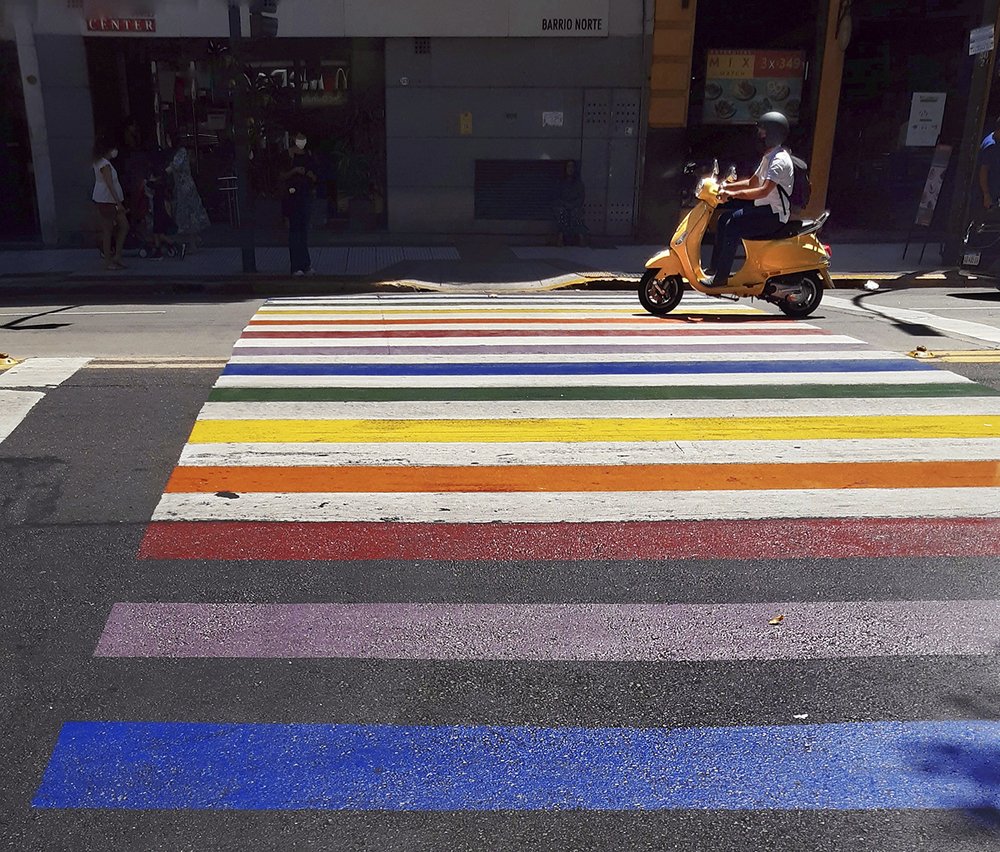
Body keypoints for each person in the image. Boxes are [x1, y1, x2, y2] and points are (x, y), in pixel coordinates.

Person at [704, 111, 794, 288]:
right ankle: (715, 268)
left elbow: (762, 191)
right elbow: (752, 182)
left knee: (733, 224)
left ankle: (721, 277)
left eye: (763, 132)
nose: (759, 136)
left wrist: (732, 195)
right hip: (764, 210)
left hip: (773, 215)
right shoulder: (769, 157)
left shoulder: (779, 161)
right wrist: (725, 186)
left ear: (772, 134)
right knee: (723, 219)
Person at [280, 131, 318, 276]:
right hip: (292, 196)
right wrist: (295, 171)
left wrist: (310, 175)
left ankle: (305, 264)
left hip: (305, 194)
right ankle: (296, 266)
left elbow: (314, 175)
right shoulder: (287, 155)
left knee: (303, 231)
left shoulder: (308, 154)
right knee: (295, 231)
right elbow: (282, 175)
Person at [91, 138, 129, 270]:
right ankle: (108, 261)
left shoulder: (102, 162)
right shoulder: (104, 164)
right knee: (108, 231)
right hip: (107, 201)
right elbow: (110, 184)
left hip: (108, 200)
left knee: (124, 226)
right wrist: (119, 203)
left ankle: (117, 256)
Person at [165, 139, 210, 249]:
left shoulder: (181, 152)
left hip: (185, 188)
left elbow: (175, 166)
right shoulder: (181, 152)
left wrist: (162, 173)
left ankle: (192, 243)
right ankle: (194, 241)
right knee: (190, 214)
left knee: (188, 215)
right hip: (183, 187)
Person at [553, 160, 586, 246]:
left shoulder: (578, 183)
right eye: (568, 167)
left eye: (572, 167)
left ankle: (581, 237)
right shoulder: (560, 182)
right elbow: (556, 197)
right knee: (561, 212)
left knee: (577, 212)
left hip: (575, 205)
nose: (570, 169)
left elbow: (581, 197)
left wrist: (573, 205)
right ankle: (560, 237)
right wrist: (565, 204)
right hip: (562, 205)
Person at [977, 116, 1000, 223]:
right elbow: (983, 171)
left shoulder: (995, 140)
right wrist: (986, 194)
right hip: (989, 192)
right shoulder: (990, 146)